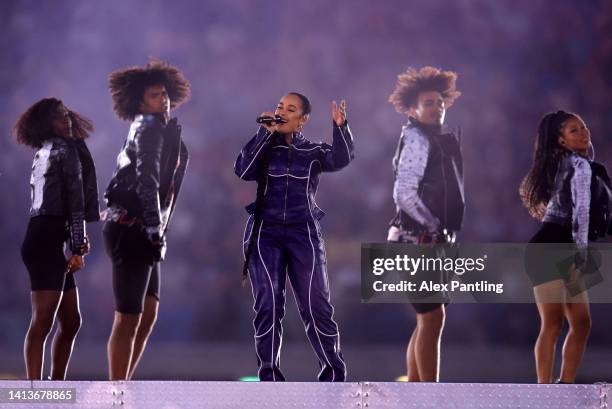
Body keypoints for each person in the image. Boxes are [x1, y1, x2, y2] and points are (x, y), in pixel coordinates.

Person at [235, 92, 353, 381]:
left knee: (316, 304)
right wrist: (264, 134)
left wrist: (341, 127)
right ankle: (269, 376)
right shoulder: (264, 146)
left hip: (304, 233)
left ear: (302, 121)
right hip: (265, 233)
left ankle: (334, 374)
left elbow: (341, 159)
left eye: (291, 109)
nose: (282, 112)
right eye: (279, 107)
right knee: (268, 304)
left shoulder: (313, 152)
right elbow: (243, 170)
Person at [102, 59, 190, 380]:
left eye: (165, 93)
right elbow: (147, 179)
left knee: (148, 314)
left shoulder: (164, 129)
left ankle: (124, 384)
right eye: (155, 95)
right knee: (128, 316)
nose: (163, 99)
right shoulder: (149, 127)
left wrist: (157, 227)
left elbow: (166, 188)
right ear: (141, 101)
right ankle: (117, 391)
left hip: (146, 228)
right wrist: (154, 227)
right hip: (133, 227)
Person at [520, 110, 611, 383]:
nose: (583, 132)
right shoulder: (579, 166)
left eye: (583, 127)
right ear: (560, 141)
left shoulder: (581, 166)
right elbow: (581, 213)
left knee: (582, 323)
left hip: (565, 245)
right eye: (574, 130)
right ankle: (545, 392)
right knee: (553, 322)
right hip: (551, 247)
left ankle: (565, 385)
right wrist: (582, 254)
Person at [387, 67, 464, 382]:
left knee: (428, 319)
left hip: (430, 240)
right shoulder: (418, 137)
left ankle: (415, 388)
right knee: (432, 317)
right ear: (413, 110)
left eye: (439, 102)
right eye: (429, 103)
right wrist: (433, 227)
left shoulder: (438, 139)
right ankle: (427, 395)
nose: (437, 107)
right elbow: (404, 192)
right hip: (416, 239)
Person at [15, 98, 99, 380]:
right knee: (43, 322)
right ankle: (36, 393)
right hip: (47, 240)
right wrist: (78, 246)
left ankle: (55, 386)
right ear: (45, 123)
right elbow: (75, 202)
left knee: (71, 321)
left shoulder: (44, 150)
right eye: (58, 118)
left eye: (66, 115)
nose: (66, 121)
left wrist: (73, 241)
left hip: (45, 237)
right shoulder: (65, 150)